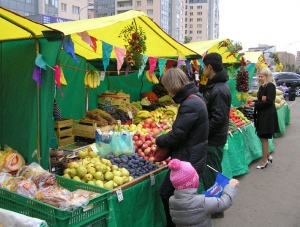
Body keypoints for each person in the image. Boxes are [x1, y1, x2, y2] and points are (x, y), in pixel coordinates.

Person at [155, 67, 209, 227]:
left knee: (166, 193)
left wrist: (158, 140)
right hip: (192, 155)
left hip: (188, 159)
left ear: (172, 86)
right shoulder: (195, 98)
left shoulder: (190, 104)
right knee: (183, 197)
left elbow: (176, 135)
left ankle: (174, 224)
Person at [201, 52, 231, 218]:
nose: (203, 70)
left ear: (209, 67)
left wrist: (204, 134)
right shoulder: (218, 86)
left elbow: (218, 118)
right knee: (213, 171)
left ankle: (215, 209)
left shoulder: (218, 89)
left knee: (211, 173)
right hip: (215, 138)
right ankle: (216, 206)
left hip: (213, 139)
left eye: (204, 67)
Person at [168, 159, 239, 227]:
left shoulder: (172, 201)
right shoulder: (202, 202)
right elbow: (223, 203)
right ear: (194, 181)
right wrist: (230, 186)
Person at [249, 68, 280, 169]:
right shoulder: (263, 86)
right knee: (262, 136)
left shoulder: (270, 86)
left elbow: (269, 101)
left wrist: (255, 104)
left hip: (267, 115)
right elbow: (261, 100)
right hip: (262, 114)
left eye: (261, 77)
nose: (259, 78)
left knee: (264, 137)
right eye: (259, 76)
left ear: (267, 77)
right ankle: (267, 156)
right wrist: (255, 103)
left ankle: (264, 160)